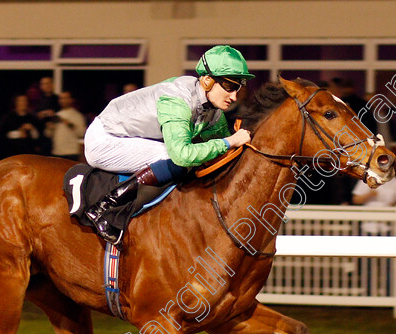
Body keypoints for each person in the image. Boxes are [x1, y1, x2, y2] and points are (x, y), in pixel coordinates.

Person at [82, 45, 253, 244]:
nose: (234, 97)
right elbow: (183, 154)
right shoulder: (177, 101)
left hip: (128, 138)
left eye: (238, 89)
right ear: (207, 80)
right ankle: (105, 207)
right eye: (229, 87)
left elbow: (225, 152)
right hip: (105, 139)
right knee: (174, 157)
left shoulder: (213, 111)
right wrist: (230, 141)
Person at [45, 91, 86, 160]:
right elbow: (48, 134)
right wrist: (49, 128)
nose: (62, 100)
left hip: (71, 152)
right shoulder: (57, 115)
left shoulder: (77, 115)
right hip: (57, 152)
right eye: (61, 98)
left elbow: (82, 133)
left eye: (65, 98)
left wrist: (68, 123)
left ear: (71, 100)